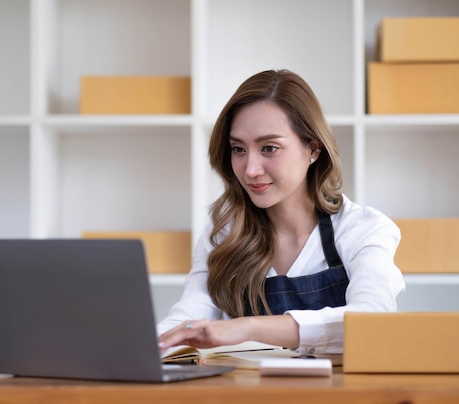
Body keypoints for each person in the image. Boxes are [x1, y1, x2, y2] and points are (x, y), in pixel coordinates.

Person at [157, 69, 405, 356]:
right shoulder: (225, 232)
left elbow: (371, 322)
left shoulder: (363, 228)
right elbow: (189, 317)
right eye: (238, 149)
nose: (250, 169)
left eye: (269, 148)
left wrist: (248, 327)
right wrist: (146, 348)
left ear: (313, 149)